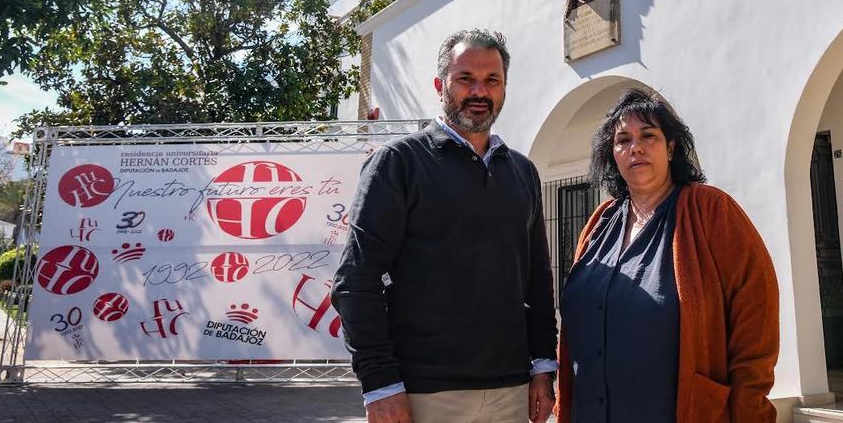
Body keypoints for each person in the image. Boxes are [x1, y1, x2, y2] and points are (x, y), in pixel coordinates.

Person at [331, 29, 558, 423]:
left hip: (512, 391)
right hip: (424, 394)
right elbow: (356, 280)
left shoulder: (522, 172)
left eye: (492, 80)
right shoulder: (398, 163)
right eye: (465, 79)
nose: (479, 91)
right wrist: (381, 385)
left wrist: (542, 367)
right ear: (440, 85)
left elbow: (537, 281)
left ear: (505, 87)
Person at [556, 88, 780, 422]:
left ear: (671, 147)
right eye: (623, 140)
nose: (636, 147)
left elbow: (756, 318)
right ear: (612, 155)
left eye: (649, 135)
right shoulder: (599, 222)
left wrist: (749, 408)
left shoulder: (710, 211)